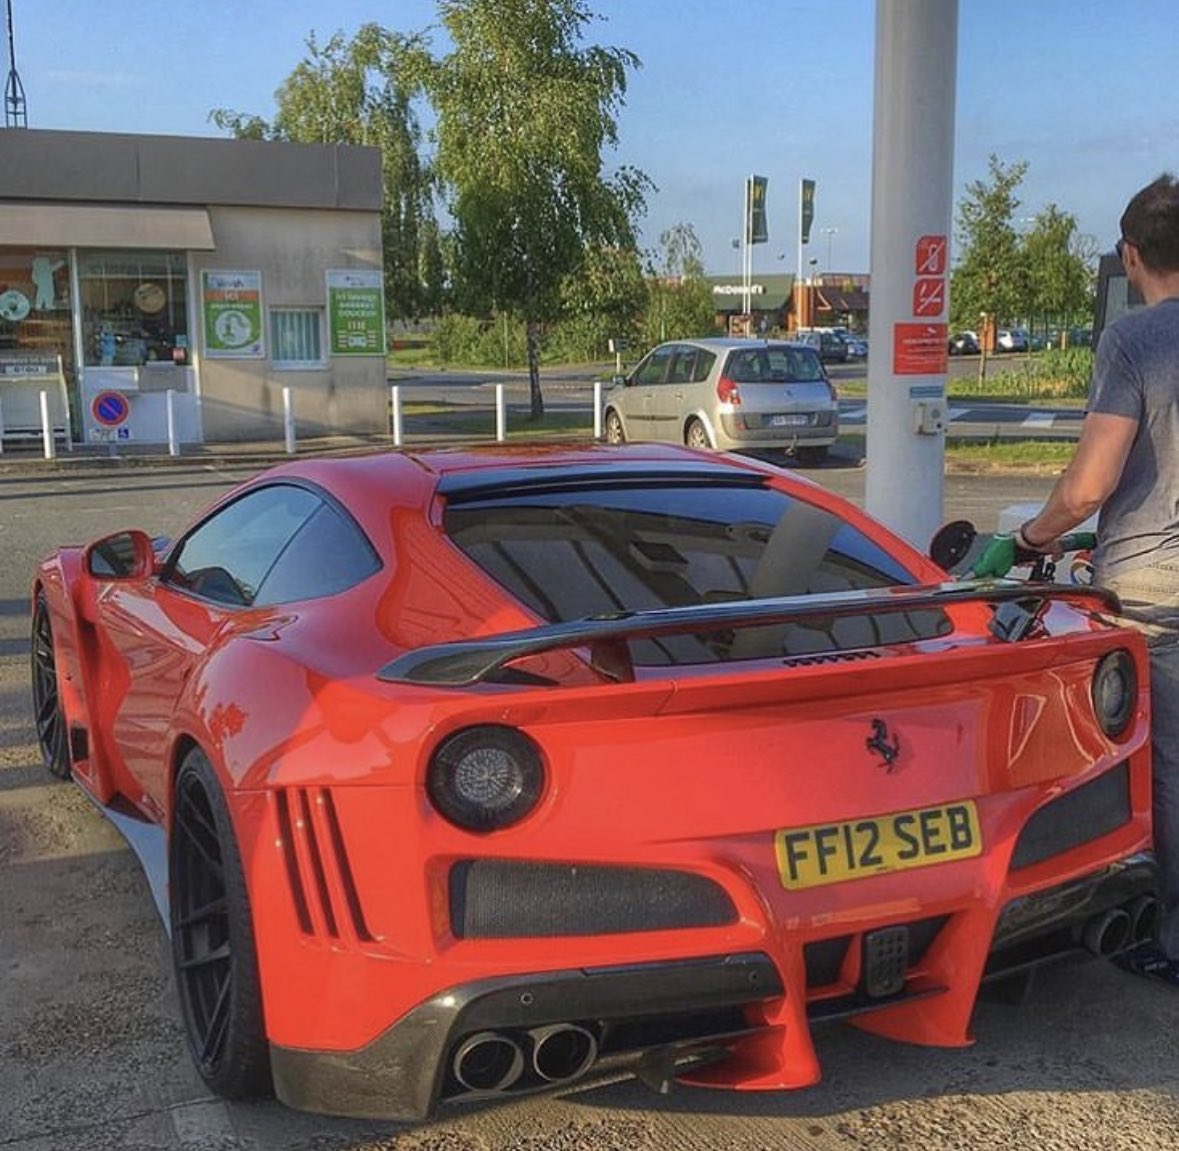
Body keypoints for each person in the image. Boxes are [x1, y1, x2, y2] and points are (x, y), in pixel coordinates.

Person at [1012, 173, 1179, 984]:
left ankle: (1166, 937)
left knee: (1161, 764)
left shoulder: (1133, 341)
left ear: (1129, 254)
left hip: (1154, 590)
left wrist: (1030, 537)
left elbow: (1088, 483)